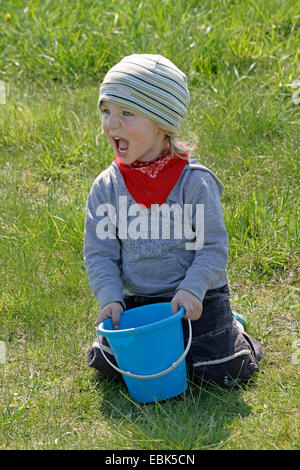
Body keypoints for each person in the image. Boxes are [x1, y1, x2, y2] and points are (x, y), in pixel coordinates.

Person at [84, 54, 263, 387]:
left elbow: (211, 247)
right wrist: (111, 298)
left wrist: (193, 290)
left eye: (126, 113)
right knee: (109, 367)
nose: (111, 124)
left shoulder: (194, 183)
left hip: (197, 299)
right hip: (138, 303)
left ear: (160, 121)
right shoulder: (107, 188)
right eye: (106, 111)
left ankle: (233, 331)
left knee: (220, 369)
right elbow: (100, 253)